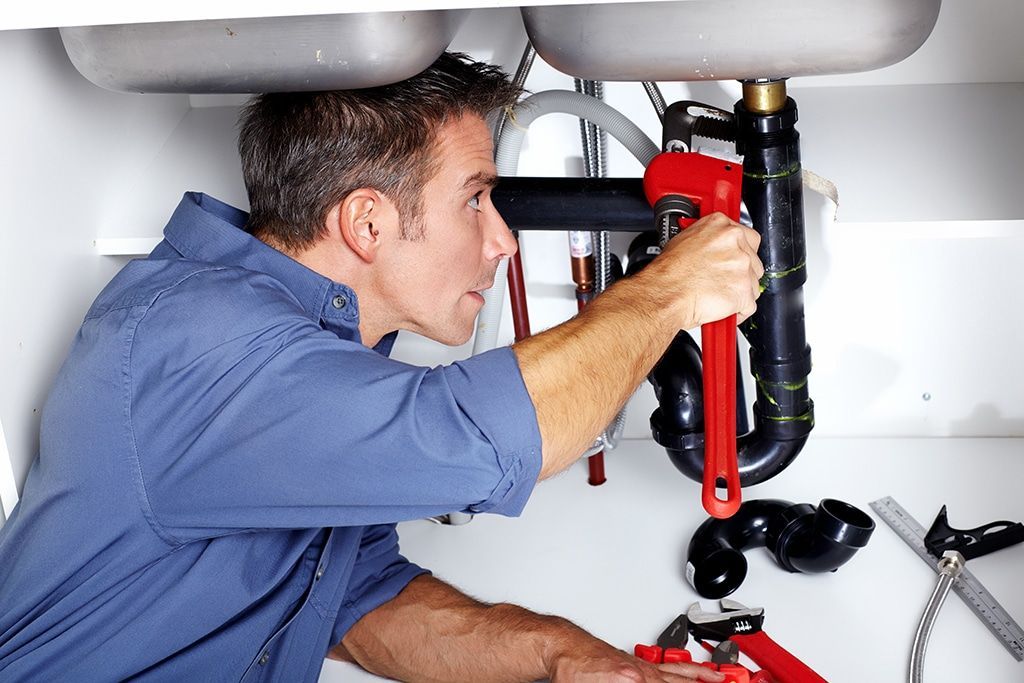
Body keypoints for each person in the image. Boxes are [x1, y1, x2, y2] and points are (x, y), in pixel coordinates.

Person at [0, 53, 762, 682]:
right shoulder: (205, 346)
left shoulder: (307, 347)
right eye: (476, 200)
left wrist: (570, 659)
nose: (502, 240)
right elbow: (484, 440)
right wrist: (670, 290)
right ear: (367, 222)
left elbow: (357, 600)